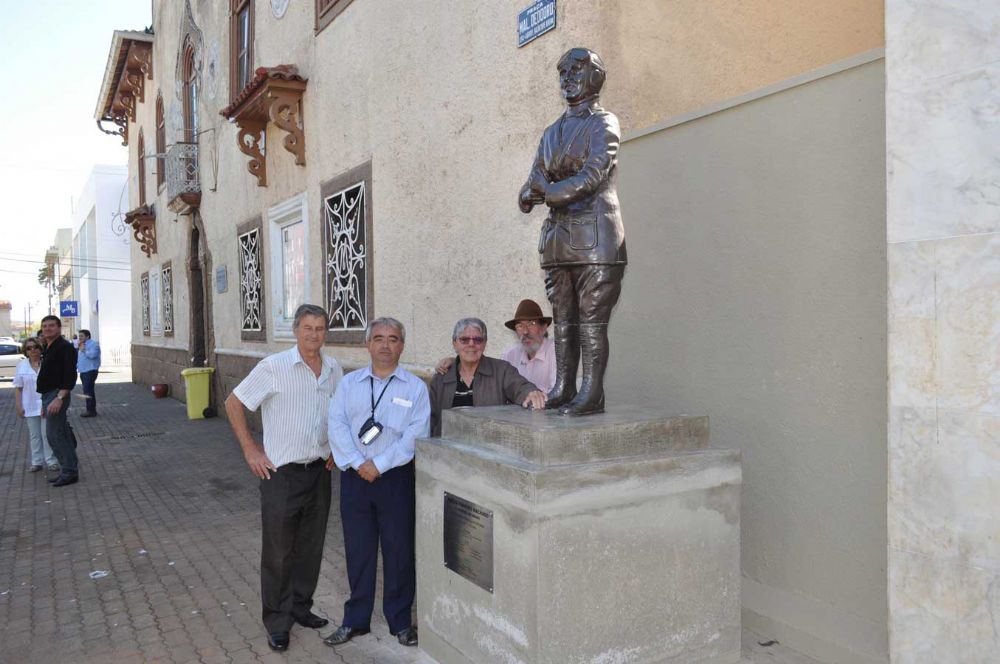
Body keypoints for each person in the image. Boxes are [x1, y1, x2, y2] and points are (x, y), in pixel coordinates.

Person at [225, 304, 343, 653]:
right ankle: (278, 621)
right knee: (279, 552)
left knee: (310, 547)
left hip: (319, 471)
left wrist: (337, 448)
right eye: (307, 328)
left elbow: (337, 413)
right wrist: (251, 450)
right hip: (281, 474)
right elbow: (234, 403)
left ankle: (301, 608)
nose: (314, 335)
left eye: (320, 328)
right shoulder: (273, 367)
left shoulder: (334, 369)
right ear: (295, 330)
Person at [518, 47, 627, 416]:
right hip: (558, 244)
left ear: (595, 77)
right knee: (564, 321)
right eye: (563, 71)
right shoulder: (550, 133)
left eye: (577, 70)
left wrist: (547, 192)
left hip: (596, 241)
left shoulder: (603, 123)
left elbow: (593, 174)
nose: (568, 77)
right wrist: (527, 193)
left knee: (592, 322)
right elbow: (536, 175)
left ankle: (590, 393)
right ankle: (564, 386)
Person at [324, 317, 430, 649]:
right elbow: (336, 425)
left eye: (393, 338)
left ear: (402, 345)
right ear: (367, 344)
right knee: (359, 552)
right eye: (379, 338)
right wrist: (359, 463)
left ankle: (400, 621)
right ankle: (356, 621)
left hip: (395, 479)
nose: (386, 344)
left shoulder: (415, 388)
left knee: (399, 552)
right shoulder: (349, 384)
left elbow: (417, 435)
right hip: (355, 478)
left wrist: (379, 464)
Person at [429, 317, 547, 437]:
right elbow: (430, 422)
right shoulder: (441, 378)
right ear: (455, 344)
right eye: (464, 340)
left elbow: (520, 386)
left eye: (478, 339)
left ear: (485, 344)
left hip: (487, 449)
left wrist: (532, 392)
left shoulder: (501, 370)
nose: (471, 344)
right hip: (448, 450)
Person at [434, 299, 556, 394]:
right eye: (520, 326)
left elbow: (557, 395)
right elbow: (490, 370)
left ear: (544, 327)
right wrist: (457, 361)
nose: (525, 331)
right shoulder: (510, 355)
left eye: (531, 324)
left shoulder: (556, 352)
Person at [36, 315, 79, 487]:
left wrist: (59, 398)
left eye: (51, 325)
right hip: (49, 395)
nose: (47, 328)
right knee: (61, 432)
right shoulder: (49, 347)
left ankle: (69, 471)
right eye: (44, 326)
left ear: (59, 328)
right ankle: (70, 469)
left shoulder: (65, 347)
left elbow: (70, 374)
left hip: (57, 394)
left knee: (54, 435)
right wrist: (44, 403)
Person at [13, 339, 59, 473]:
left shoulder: (47, 363)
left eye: (35, 347)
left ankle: (51, 461)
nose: (33, 350)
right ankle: (37, 461)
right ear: (25, 351)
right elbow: (18, 388)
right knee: (35, 435)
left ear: (41, 348)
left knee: (47, 434)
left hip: (46, 403)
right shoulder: (21, 365)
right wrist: (18, 405)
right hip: (30, 404)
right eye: (29, 348)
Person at [76, 329, 101, 418]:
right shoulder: (82, 345)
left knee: (88, 391)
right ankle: (90, 409)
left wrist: (84, 350)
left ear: (87, 336)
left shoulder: (94, 344)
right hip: (83, 371)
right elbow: (81, 359)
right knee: (87, 390)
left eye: (82, 336)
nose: (80, 338)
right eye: (79, 336)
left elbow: (93, 355)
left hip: (90, 371)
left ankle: (91, 410)